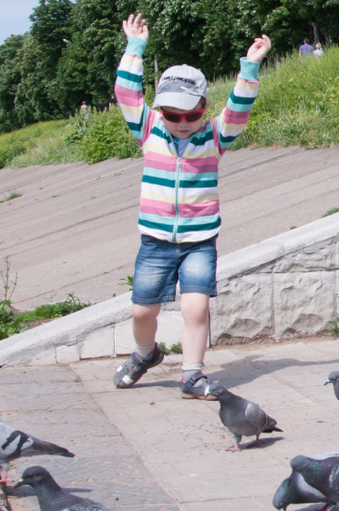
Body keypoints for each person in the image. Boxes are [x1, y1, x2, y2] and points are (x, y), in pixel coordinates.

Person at [113, 13, 271, 398]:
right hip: (155, 241)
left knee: (196, 309)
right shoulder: (149, 129)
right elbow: (125, 92)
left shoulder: (215, 136)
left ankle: (192, 374)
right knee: (141, 312)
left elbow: (239, 107)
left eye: (191, 114)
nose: (182, 122)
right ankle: (144, 354)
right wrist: (135, 47)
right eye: (173, 114)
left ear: (204, 107)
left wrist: (249, 67)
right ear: (160, 110)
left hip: (200, 240)